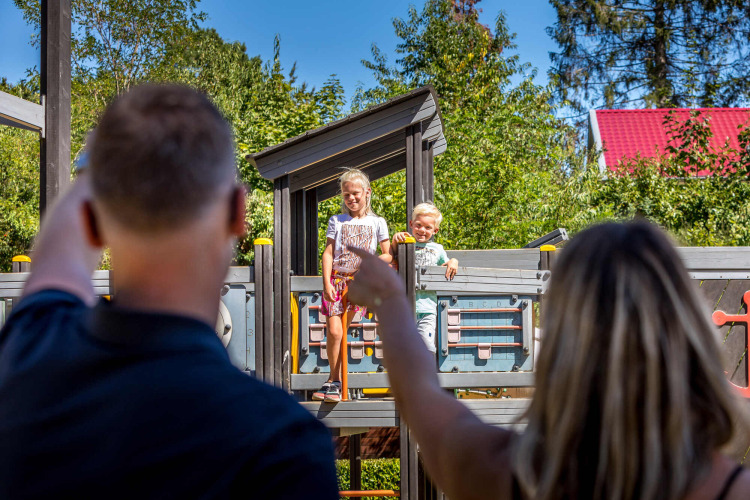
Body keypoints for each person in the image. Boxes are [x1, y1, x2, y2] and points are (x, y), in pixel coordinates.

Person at [0, 84, 339, 499]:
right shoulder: (283, 446)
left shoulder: (29, 351)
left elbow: (58, 252)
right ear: (238, 213)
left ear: (95, 219)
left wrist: (109, 161)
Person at [347, 221, 750, 500]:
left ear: (562, 345)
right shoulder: (734, 489)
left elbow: (421, 396)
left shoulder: (516, 476)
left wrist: (389, 301)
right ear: (690, 334)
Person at [312, 168, 391, 403]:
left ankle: (334, 383)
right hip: (336, 281)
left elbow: (387, 255)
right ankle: (333, 380)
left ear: (367, 192)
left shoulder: (377, 222)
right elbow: (327, 253)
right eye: (347, 195)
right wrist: (326, 282)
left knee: (343, 332)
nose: (352, 199)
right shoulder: (337, 221)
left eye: (356, 193)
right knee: (335, 332)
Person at [391, 202, 458, 353]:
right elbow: (391, 255)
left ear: (435, 230)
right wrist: (395, 239)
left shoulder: (437, 249)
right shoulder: (404, 243)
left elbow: (446, 264)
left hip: (427, 307)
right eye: (418, 225)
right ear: (411, 224)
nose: (422, 230)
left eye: (428, 227)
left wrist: (454, 261)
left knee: (426, 346)